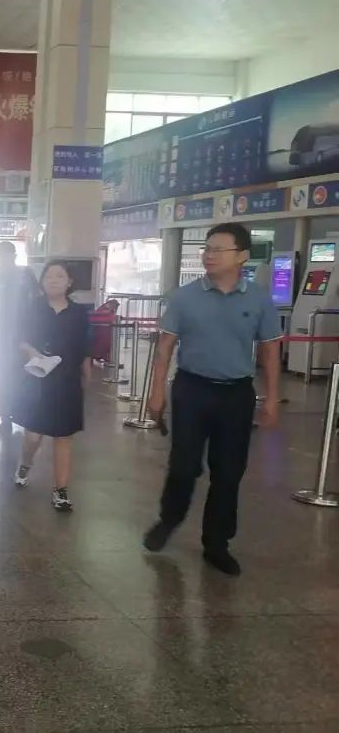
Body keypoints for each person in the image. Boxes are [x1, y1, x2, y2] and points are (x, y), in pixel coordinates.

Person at [143, 222, 281, 576]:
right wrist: (156, 392)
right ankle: (169, 518)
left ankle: (217, 544)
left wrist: (271, 399)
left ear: (242, 256)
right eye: (206, 248)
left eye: (218, 249)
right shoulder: (184, 297)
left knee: (229, 472)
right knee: (184, 464)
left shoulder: (258, 299)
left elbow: (270, 351)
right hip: (192, 389)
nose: (209, 255)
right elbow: (165, 348)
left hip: (236, 393)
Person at [12, 261, 92, 511]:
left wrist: (86, 374)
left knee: (63, 436)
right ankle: (25, 464)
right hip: (37, 377)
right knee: (33, 435)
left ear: (69, 282)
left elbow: (84, 347)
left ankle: (61, 490)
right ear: (42, 281)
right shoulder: (32, 308)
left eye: (59, 276)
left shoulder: (79, 313)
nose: (54, 280)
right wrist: (32, 353)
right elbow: (19, 339)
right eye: (48, 276)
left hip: (67, 379)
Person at [0, 241, 38, 437]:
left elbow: (37, 299)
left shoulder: (26, 274)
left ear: (14, 255)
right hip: (0, 333)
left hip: (25, 331)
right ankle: (5, 416)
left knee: (24, 373)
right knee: (0, 374)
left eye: (6, 255)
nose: (2, 259)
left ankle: (21, 413)